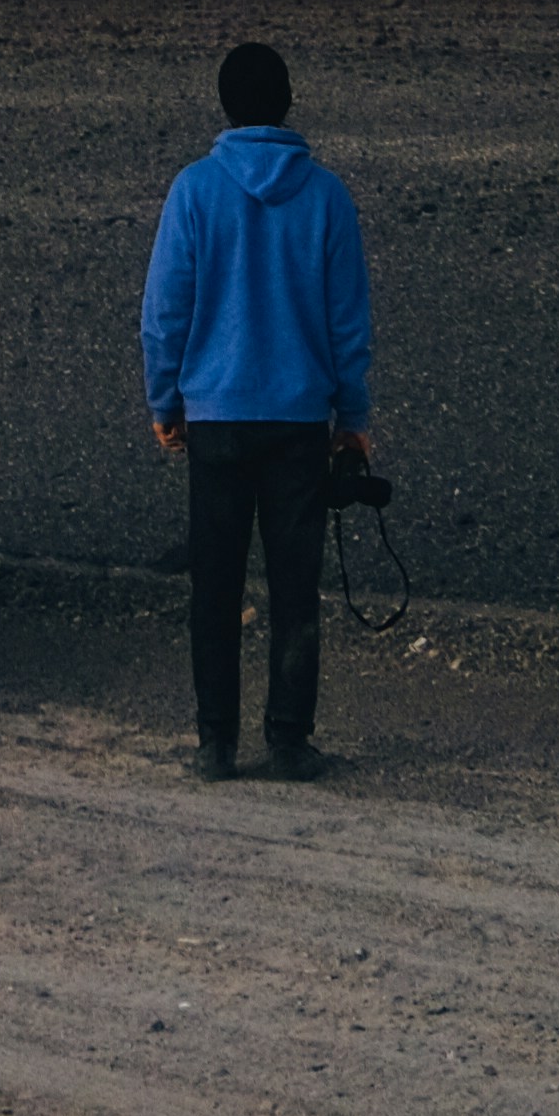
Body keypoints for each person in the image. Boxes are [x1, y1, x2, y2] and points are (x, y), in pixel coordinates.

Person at [141, 38, 373, 781]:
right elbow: (348, 321)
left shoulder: (195, 190)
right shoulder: (327, 197)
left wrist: (165, 398)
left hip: (216, 417)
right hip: (300, 420)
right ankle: (288, 737)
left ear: (225, 106)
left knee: (215, 584)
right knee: (295, 586)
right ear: (287, 105)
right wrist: (354, 415)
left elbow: (165, 311)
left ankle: (215, 741)